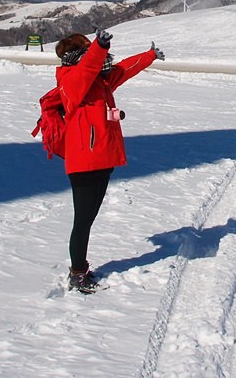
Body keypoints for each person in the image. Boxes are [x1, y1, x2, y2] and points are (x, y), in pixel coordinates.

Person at [54, 28, 164, 293]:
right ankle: (78, 273)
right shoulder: (71, 79)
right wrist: (99, 47)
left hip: (102, 159)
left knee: (88, 218)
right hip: (84, 162)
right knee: (82, 220)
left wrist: (149, 56)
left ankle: (80, 267)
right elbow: (85, 71)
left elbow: (123, 70)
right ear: (79, 54)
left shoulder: (100, 81)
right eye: (89, 49)